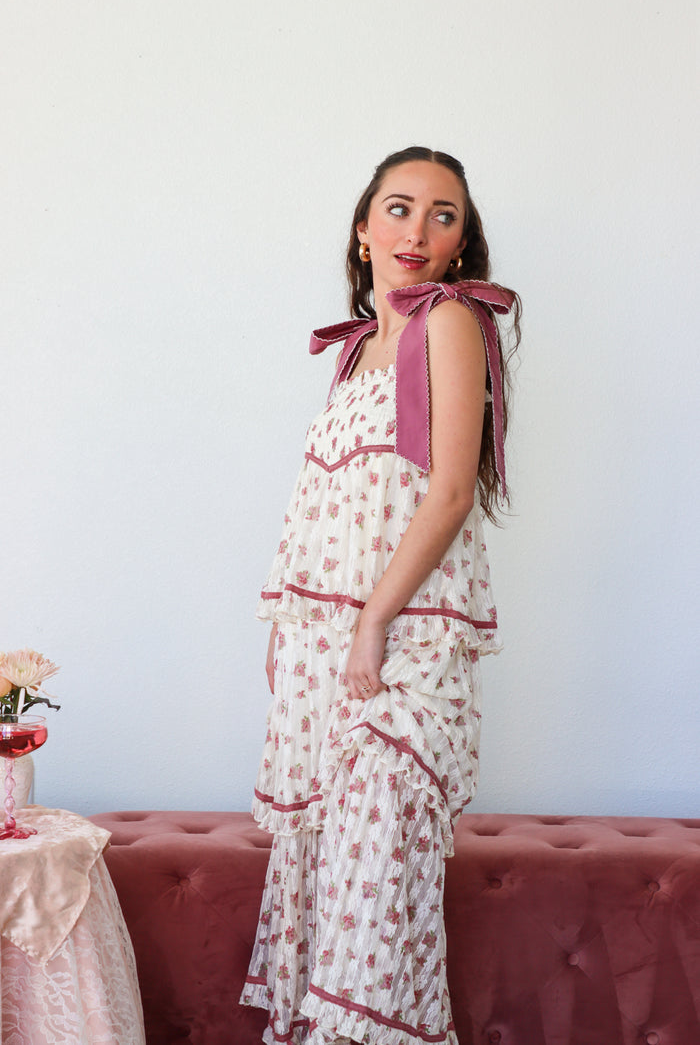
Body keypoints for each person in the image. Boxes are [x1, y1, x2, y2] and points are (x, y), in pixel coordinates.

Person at [240, 146, 521, 1045]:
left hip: (400, 653)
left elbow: (445, 495)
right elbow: (338, 504)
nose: (417, 230)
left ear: (460, 243)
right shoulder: (360, 351)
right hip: (335, 652)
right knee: (337, 897)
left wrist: (369, 626)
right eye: (398, 209)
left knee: (373, 913)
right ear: (363, 232)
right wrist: (296, 630)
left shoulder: (449, 323)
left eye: (444, 215)